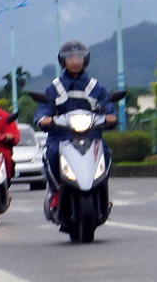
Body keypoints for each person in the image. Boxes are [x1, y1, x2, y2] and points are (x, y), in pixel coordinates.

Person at [34, 40, 117, 216]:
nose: (75, 61)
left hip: (91, 134)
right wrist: (44, 118)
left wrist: (110, 115)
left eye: (79, 57)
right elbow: (45, 108)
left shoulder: (95, 86)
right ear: (62, 61)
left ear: (85, 59)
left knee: (106, 152)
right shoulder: (55, 87)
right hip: (61, 136)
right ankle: (56, 192)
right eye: (70, 57)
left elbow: (106, 105)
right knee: (51, 153)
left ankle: (102, 191)